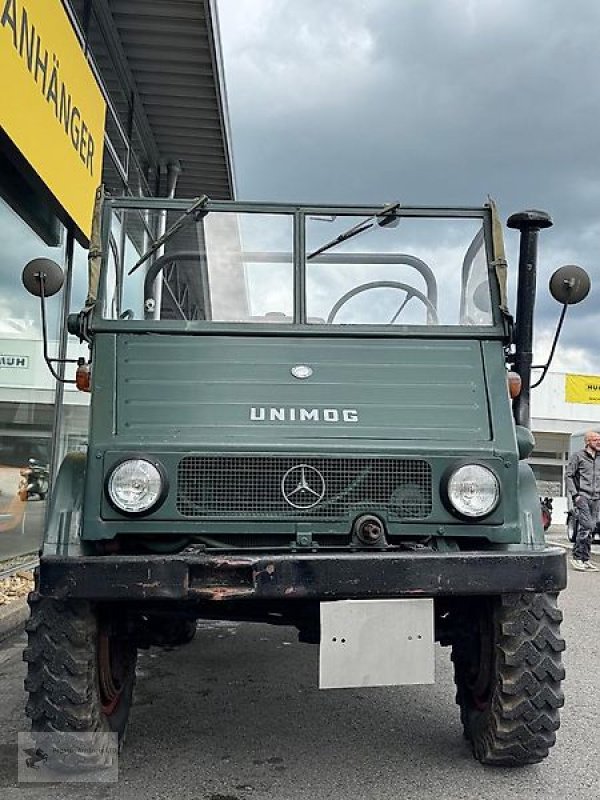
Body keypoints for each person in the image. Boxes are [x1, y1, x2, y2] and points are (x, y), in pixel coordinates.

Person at [566, 430, 600, 572]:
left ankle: (585, 559)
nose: (599, 442)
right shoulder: (578, 456)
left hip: (596, 498)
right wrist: (575, 495)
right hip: (582, 496)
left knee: (591, 528)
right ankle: (577, 557)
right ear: (587, 441)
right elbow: (569, 476)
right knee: (586, 526)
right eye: (595, 440)